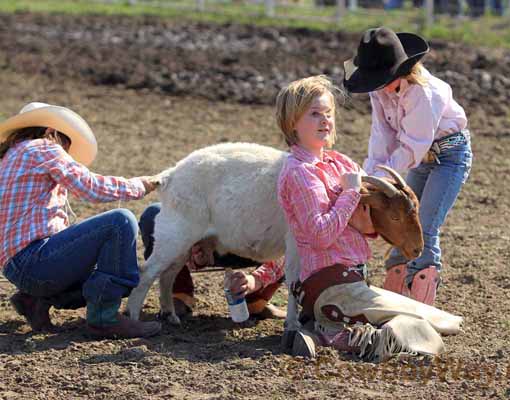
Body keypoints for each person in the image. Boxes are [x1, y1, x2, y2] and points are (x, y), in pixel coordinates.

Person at [275, 75, 463, 360]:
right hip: (330, 286)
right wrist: (350, 194)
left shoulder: (341, 163)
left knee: (446, 322)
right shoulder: (300, 173)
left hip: (354, 284)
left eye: (328, 113)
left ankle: (331, 326)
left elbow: (364, 224)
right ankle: (330, 334)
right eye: (314, 114)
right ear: (292, 123)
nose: (325, 120)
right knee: (426, 328)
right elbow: (321, 235)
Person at [0, 102, 161, 338]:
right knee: (120, 221)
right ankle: (104, 319)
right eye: (65, 144)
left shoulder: (10, 158)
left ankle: (34, 299)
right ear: (50, 132)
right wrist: (140, 185)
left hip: (18, 267)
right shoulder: (43, 147)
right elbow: (90, 188)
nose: (66, 153)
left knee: (120, 267)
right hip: (35, 260)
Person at [343, 27, 472, 306]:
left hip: (448, 156)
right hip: (420, 156)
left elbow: (412, 147)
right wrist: (367, 178)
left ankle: (423, 308)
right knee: (402, 216)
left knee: (424, 226)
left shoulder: (425, 94)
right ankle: (394, 298)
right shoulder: (381, 90)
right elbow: (382, 136)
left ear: (399, 73)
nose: (374, 88)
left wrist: (376, 179)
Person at [138, 203, 287, 320]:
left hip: (254, 244)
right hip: (207, 237)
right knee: (154, 215)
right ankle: (179, 293)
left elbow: (291, 246)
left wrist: (255, 280)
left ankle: (256, 300)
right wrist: (197, 243)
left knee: (292, 230)